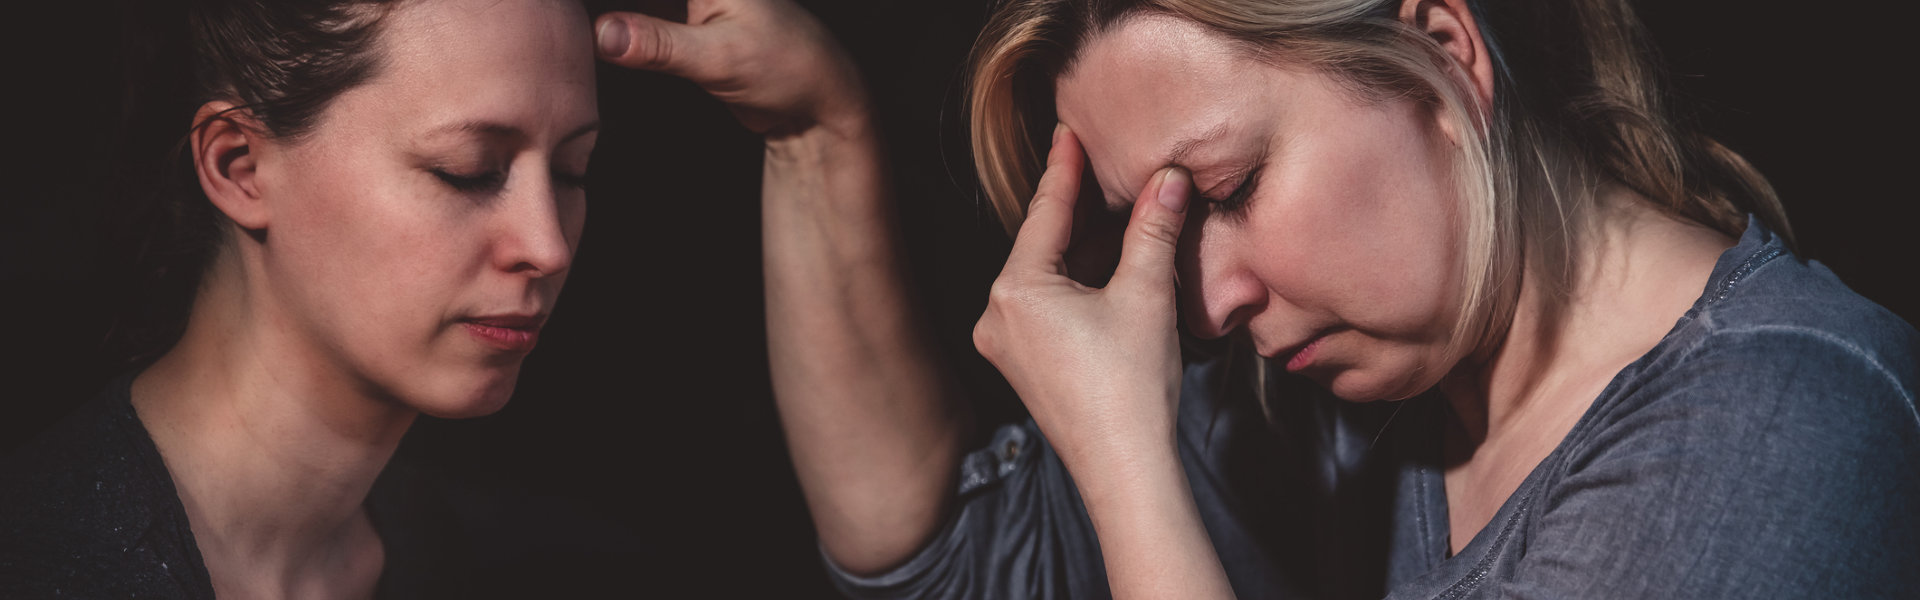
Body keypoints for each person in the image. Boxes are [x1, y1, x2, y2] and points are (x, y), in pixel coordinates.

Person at [770, 0, 1920, 598]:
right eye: (1168, 226)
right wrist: (818, 136)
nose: (1209, 305)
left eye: (1232, 188)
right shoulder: (1322, 409)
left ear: (1440, 56)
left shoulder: (1793, 428)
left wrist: (1128, 469)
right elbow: (972, 571)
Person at [0, 0, 599, 596]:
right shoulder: (38, 563)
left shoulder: (518, 559)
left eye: (572, 170)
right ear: (240, 166)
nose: (548, 247)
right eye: (464, 170)